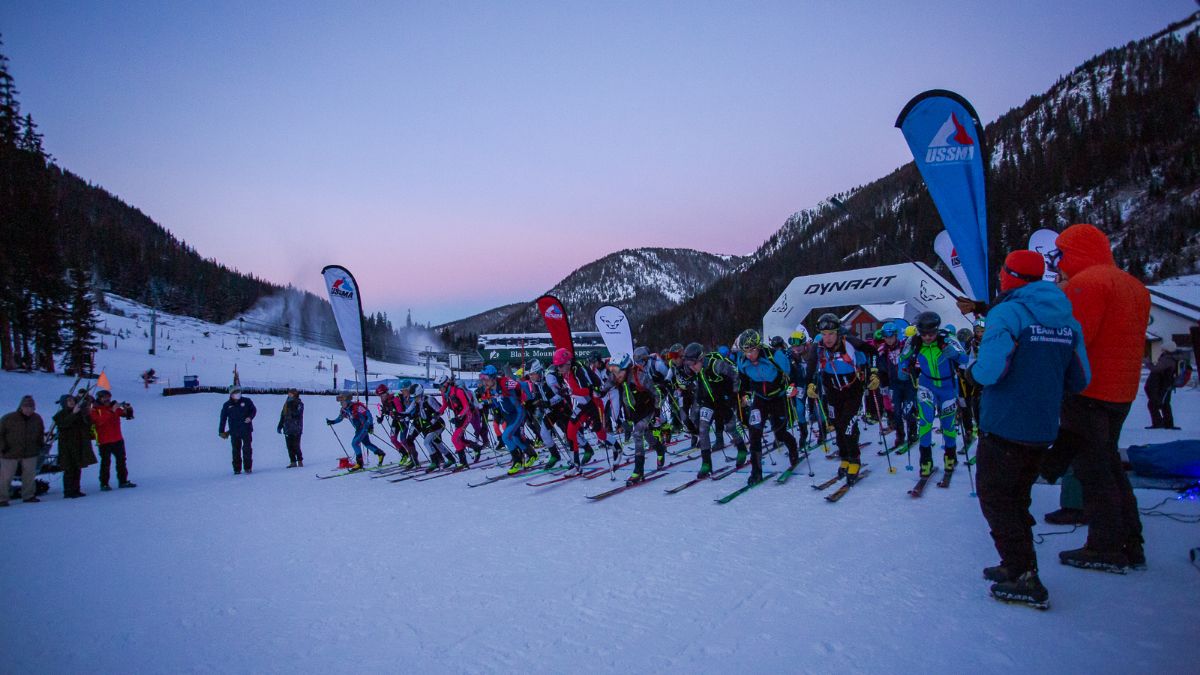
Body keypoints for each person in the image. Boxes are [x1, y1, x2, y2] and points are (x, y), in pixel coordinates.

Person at [968, 250, 1090, 608]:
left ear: (1009, 276)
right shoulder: (1067, 318)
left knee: (995, 498)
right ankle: (1016, 563)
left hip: (1004, 424)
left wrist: (971, 372)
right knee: (1017, 497)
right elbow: (1081, 378)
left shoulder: (1008, 312)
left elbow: (989, 371)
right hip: (1042, 427)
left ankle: (1024, 575)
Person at [1040, 223, 1151, 572]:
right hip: (1120, 391)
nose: (1058, 262)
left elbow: (1075, 340)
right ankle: (1130, 540)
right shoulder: (1133, 285)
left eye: (1061, 254)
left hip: (1089, 391)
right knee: (1111, 468)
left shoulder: (1087, 284)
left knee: (1094, 472)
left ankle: (1106, 546)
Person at [898, 311, 968, 478]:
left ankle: (950, 456)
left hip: (948, 386)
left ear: (937, 329)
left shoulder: (947, 338)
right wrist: (903, 368)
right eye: (924, 334)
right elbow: (903, 358)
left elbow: (964, 359)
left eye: (931, 334)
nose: (927, 337)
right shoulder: (914, 340)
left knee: (948, 424)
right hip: (926, 385)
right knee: (926, 423)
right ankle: (925, 460)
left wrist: (956, 354)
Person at [805, 314, 871, 484]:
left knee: (848, 424)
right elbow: (811, 368)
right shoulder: (818, 348)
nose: (827, 338)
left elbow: (869, 357)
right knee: (837, 425)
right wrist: (811, 385)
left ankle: (855, 460)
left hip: (852, 390)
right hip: (832, 391)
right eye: (824, 334)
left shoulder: (850, 344)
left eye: (831, 334)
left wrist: (874, 375)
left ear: (838, 333)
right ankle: (845, 457)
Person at [736, 328, 800, 485]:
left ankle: (793, 449)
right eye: (746, 351)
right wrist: (743, 394)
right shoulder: (742, 360)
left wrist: (792, 387)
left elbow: (792, 374)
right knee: (754, 432)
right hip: (760, 399)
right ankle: (756, 472)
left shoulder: (774, 356)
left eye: (752, 350)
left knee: (779, 433)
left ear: (759, 347)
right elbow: (743, 379)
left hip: (778, 397)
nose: (749, 355)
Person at [684, 342, 748, 478]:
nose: (692, 367)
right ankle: (706, 463)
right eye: (689, 364)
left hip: (723, 400)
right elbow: (701, 385)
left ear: (701, 359)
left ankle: (742, 449)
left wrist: (735, 394)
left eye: (694, 363)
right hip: (709, 402)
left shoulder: (716, 364)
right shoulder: (697, 370)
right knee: (703, 429)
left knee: (730, 427)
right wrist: (699, 400)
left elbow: (735, 376)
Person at [608, 352, 663, 484]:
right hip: (635, 412)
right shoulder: (618, 377)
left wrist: (657, 412)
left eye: (617, 371)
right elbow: (607, 385)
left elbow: (656, 394)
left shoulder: (640, 376)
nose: (615, 374)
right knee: (645, 433)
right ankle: (660, 449)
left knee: (637, 433)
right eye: (612, 371)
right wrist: (600, 391)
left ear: (626, 368)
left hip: (648, 409)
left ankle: (638, 470)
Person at [876, 321, 917, 451]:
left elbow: (914, 358)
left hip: (908, 382)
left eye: (891, 336)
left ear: (896, 335)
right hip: (894, 384)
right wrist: (883, 383)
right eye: (886, 337)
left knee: (908, 410)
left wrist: (912, 369)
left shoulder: (904, 346)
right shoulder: (882, 350)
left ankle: (912, 432)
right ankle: (900, 435)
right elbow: (881, 368)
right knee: (897, 412)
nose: (888, 339)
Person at [0, 395, 46, 505]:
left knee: (29, 476)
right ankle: (2, 498)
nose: (29, 409)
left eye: (31, 407)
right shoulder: (9, 418)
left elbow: (40, 432)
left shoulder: (37, 418)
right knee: (5, 477)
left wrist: (40, 445)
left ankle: (28, 495)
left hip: (30, 452)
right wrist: (2, 447)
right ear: (21, 407)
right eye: (26, 407)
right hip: (10, 452)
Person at [89, 389, 137, 491]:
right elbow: (99, 421)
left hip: (117, 439)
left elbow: (126, 415)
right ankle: (104, 483)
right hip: (104, 440)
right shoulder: (95, 410)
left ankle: (123, 481)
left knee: (121, 461)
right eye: (105, 397)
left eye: (108, 397)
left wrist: (128, 409)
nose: (107, 399)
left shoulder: (113, 407)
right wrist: (112, 410)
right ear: (100, 398)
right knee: (105, 462)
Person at [54, 393, 98, 498]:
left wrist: (84, 412)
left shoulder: (79, 413)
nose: (71, 402)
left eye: (72, 400)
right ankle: (68, 491)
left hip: (79, 444)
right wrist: (73, 414)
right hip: (66, 446)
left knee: (78, 468)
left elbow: (87, 424)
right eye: (69, 401)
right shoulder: (60, 415)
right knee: (69, 469)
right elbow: (63, 424)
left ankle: (76, 489)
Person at [328, 393, 386, 470]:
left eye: (342, 402)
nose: (341, 404)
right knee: (367, 443)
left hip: (364, 427)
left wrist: (371, 426)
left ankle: (359, 463)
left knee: (354, 443)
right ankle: (380, 453)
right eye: (340, 402)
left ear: (348, 401)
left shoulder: (357, 406)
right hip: (358, 429)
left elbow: (368, 415)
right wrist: (332, 422)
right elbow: (340, 418)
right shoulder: (344, 410)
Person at [219, 386, 258, 474]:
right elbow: (223, 418)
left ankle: (248, 467)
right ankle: (237, 469)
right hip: (234, 431)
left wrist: (250, 417)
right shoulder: (227, 405)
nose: (237, 394)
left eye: (238, 392)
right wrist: (221, 431)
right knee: (236, 450)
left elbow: (253, 410)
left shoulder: (247, 401)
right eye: (235, 393)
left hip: (246, 429)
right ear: (231, 394)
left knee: (247, 449)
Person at [1144, 346, 1181, 429]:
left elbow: (1155, 369)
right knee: (1164, 404)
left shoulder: (1167, 359)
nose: (1161, 350)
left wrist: (1148, 362)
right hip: (1166, 385)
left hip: (1163, 386)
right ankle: (1166, 424)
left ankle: (1160, 423)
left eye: (1163, 349)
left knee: (1155, 404)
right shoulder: (1172, 358)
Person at [277, 388, 304, 467]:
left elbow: (298, 414)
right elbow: (283, 415)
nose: (289, 395)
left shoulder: (299, 403)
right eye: (289, 394)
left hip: (296, 428)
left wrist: (292, 409)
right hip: (287, 428)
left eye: (291, 394)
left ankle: (299, 460)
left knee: (296, 445)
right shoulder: (286, 404)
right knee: (289, 446)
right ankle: (292, 461)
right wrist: (280, 425)